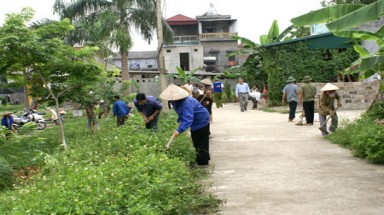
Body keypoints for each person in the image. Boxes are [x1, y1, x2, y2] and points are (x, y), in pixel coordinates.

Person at [160, 84, 211, 166]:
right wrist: (180, 122)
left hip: (201, 121)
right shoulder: (175, 101)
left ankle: (203, 162)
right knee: (197, 140)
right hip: (195, 120)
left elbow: (188, 119)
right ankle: (203, 158)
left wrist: (179, 130)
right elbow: (182, 113)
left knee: (200, 141)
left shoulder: (187, 102)